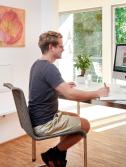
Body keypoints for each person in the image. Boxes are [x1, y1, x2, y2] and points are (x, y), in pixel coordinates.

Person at [28, 31, 109, 167]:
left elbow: (48, 86)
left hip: (38, 118)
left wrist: (63, 86)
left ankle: (57, 161)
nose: (63, 48)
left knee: (75, 116)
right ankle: (52, 154)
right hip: (45, 123)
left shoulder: (37, 64)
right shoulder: (49, 68)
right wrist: (97, 92)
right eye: (60, 46)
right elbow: (70, 95)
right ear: (51, 47)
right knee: (84, 126)